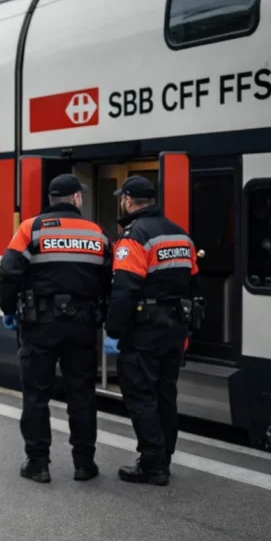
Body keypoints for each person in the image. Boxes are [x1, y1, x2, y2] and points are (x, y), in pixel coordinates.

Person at [0, 174, 111, 483]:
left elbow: (8, 271)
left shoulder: (30, 228)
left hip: (39, 324)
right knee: (82, 394)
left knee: (36, 395)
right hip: (83, 326)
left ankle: (38, 463)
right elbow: (109, 279)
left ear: (51, 199)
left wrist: (9, 310)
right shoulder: (97, 233)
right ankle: (84, 464)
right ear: (76, 198)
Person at [103, 175, 203, 486]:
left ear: (128, 201)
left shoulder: (134, 236)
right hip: (175, 326)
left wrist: (113, 331)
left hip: (144, 330)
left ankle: (152, 464)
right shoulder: (180, 235)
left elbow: (125, 289)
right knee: (165, 394)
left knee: (140, 396)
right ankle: (165, 458)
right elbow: (194, 284)